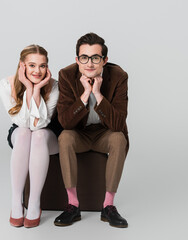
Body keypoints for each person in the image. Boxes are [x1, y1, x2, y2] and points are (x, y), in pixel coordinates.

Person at [54, 33, 129, 228]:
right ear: (77, 60)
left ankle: (108, 206)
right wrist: (85, 95)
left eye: (95, 58)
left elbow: (118, 123)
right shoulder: (66, 75)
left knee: (119, 138)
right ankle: (73, 205)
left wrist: (97, 93)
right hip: (79, 133)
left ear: (105, 60)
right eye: (84, 58)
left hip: (104, 133)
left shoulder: (119, 76)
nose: (90, 64)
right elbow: (66, 122)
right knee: (65, 137)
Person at [0, 44, 59, 228]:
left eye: (42, 65)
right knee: (24, 134)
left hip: (49, 135)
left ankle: (34, 203)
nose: (37, 71)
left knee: (38, 135)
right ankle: (16, 202)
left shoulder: (54, 86)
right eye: (32, 65)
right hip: (20, 133)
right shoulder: (5, 85)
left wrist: (38, 89)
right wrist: (27, 87)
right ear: (22, 65)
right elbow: (23, 124)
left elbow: (39, 125)